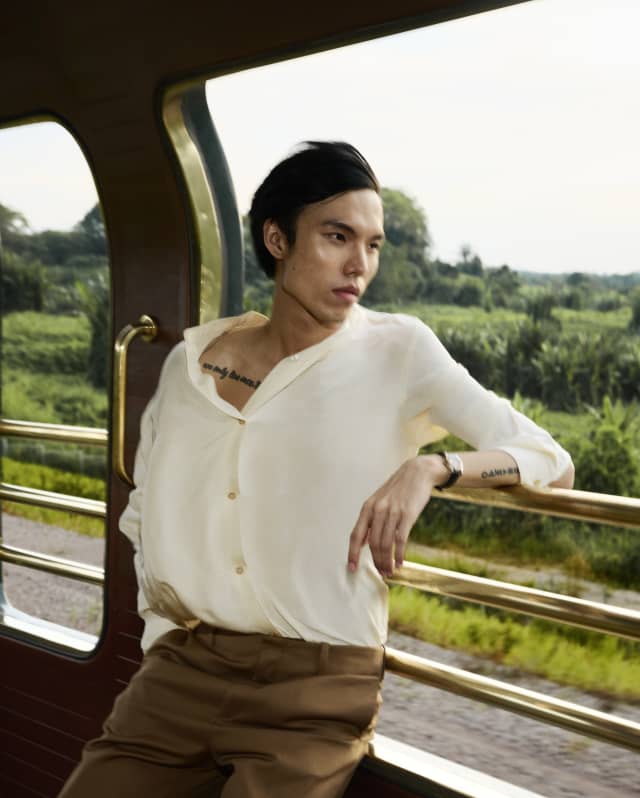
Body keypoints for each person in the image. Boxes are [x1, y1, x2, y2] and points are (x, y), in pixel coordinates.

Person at [59, 141, 574, 798]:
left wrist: (432, 470)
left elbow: (548, 460)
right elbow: (144, 512)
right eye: (338, 237)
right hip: (182, 669)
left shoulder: (399, 350)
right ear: (278, 238)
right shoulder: (192, 365)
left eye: (374, 244)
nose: (360, 265)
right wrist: (164, 638)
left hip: (317, 690)